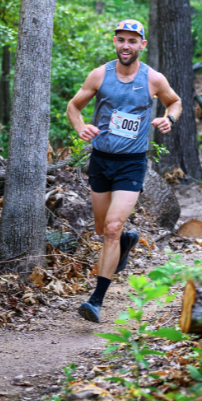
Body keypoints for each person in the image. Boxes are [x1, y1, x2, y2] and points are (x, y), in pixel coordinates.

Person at [66, 19, 182, 323]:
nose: (126, 46)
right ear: (114, 42)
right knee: (103, 229)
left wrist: (170, 118)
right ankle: (128, 241)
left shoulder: (153, 79)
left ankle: (96, 300)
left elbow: (175, 102)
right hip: (101, 160)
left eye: (132, 41)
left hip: (132, 162)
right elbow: (73, 106)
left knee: (113, 228)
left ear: (142, 45)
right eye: (121, 40)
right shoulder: (100, 75)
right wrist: (81, 126)